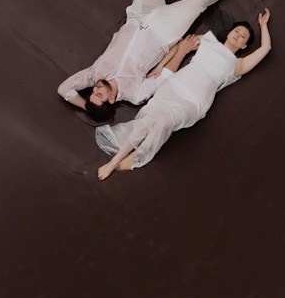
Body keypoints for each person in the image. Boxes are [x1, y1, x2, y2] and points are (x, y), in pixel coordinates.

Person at [57, 0, 257, 120]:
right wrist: (181, 51)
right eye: (99, 95)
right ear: (110, 100)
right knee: (200, 1)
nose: (96, 89)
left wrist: (88, 107)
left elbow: (64, 89)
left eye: (93, 93)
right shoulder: (135, 94)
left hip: (137, 16)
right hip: (163, 32)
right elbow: (165, 75)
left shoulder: (94, 75)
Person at [96, 10, 272, 178]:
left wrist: (263, 25)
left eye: (243, 36)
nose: (238, 35)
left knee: (164, 122)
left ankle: (137, 156)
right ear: (229, 33)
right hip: (174, 87)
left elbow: (266, 48)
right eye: (237, 31)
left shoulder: (237, 65)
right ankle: (114, 161)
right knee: (147, 121)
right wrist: (160, 65)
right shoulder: (208, 41)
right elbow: (180, 45)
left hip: (194, 101)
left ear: (244, 45)